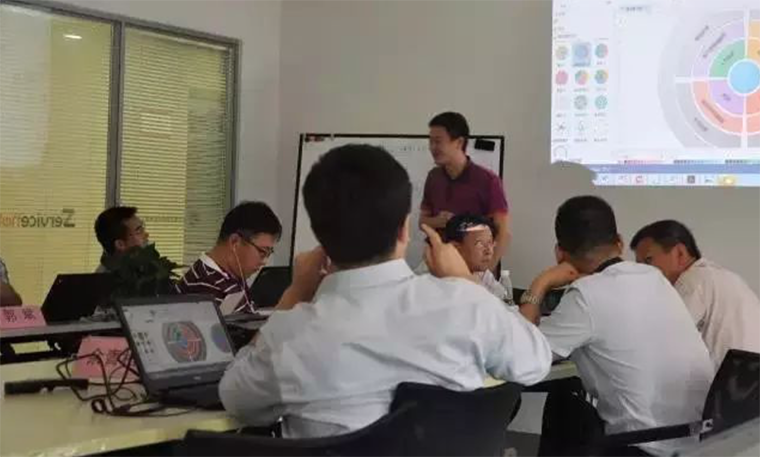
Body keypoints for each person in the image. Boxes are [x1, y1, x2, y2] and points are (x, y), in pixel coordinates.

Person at [219, 144, 552, 438]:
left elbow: (235, 397)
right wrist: (465, 281)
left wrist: (295, 293)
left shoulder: (291, 334)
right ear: (405, 229)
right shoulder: (467, 305)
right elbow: (536, 360)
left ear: (321, 239)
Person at [519, 196, 713, 457]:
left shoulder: (586, 295)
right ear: (619, 242)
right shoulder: (653, 277)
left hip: (644, 446)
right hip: (697, 441)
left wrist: (540, 284)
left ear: (560, 253)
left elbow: (521, 355)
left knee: (563, 405)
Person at [631, 220, 760, 370]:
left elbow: (662, 343)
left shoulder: (692, 279)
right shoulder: (728, 278)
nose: (642, 272)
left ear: (679, 253)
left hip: (731, 381)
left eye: (648, 261)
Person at [420, 112, 511, 269]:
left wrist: (486, 270)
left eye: (438, 141)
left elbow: (503, 233)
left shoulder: (487, 180)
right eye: (431, 141)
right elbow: (422, 222)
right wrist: (439, 221)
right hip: (437, 262)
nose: (433, 147)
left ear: (459, 142)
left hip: (472, 268)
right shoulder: (433, 177)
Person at [175, 201, 281, 312]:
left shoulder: (229, 276)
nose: (264, 261)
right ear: (234, 242)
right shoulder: (204, 289)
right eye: (262, 252)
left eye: (269, 253)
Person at [417, 214, 510, 301]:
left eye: (490, 243)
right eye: (480, 244)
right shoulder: (432, 273)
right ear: (456, 248)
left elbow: (504, 301)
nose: (489, 251)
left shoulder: (482, 273)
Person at [94, 206, 150, 273]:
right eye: (139, 231)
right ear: (120, 244)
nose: (146, 235)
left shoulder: (141, 269)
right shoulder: (105, 277)